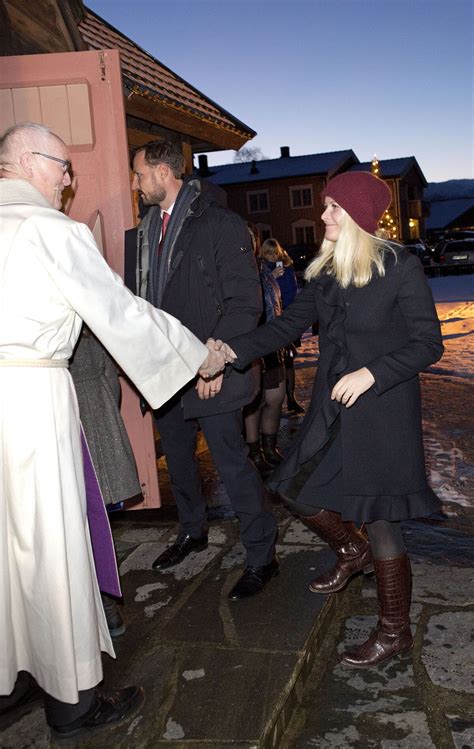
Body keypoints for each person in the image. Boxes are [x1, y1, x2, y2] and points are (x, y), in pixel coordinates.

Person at [0, 122, 225, 739]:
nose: (69, 180)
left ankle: (11, 671)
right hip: (31, 401)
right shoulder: (52, 232)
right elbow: (121, 313)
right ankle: (71, 698)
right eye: (61, 167)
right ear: (27, 162)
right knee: (51, 547)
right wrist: (194, 354)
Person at [211, 171, 444, 667]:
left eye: (334, 207)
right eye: (325, 206)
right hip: (331, 408)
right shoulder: (325, 271)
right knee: (292, 485)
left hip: (382, 413)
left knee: (381, 520)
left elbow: (428, 343)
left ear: (357, 215)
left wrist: (372, 374)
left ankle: (394, 631)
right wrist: (231, 349)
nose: (322, 215)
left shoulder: (399, 267)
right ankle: (351, 552)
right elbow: (287, 325)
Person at [126, 141, 278, 600]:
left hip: (212, 372)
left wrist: (214, 360)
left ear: (163, 172)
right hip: (165, 374)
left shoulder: (218, 223)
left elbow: (244, 303)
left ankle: (261, 555)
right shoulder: (144, 231)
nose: (134, 183)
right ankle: (192, 531)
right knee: (178, 464)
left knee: (233, 466)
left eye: (138, 174)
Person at [70, 327, 142, 638]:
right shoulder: (87, 334)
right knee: (91, 518)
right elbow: (112, 386)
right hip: (87, 423)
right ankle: (103, 601)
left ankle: (94, 601)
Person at [244, 236, 286, 473]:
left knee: (275, 398)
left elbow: (276, 304)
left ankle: (270, 448)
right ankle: (254, 452)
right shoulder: (236, 269)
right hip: (252, 342)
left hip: (272, 341)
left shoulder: (264, 271)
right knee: (254, 401)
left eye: (252, 239)